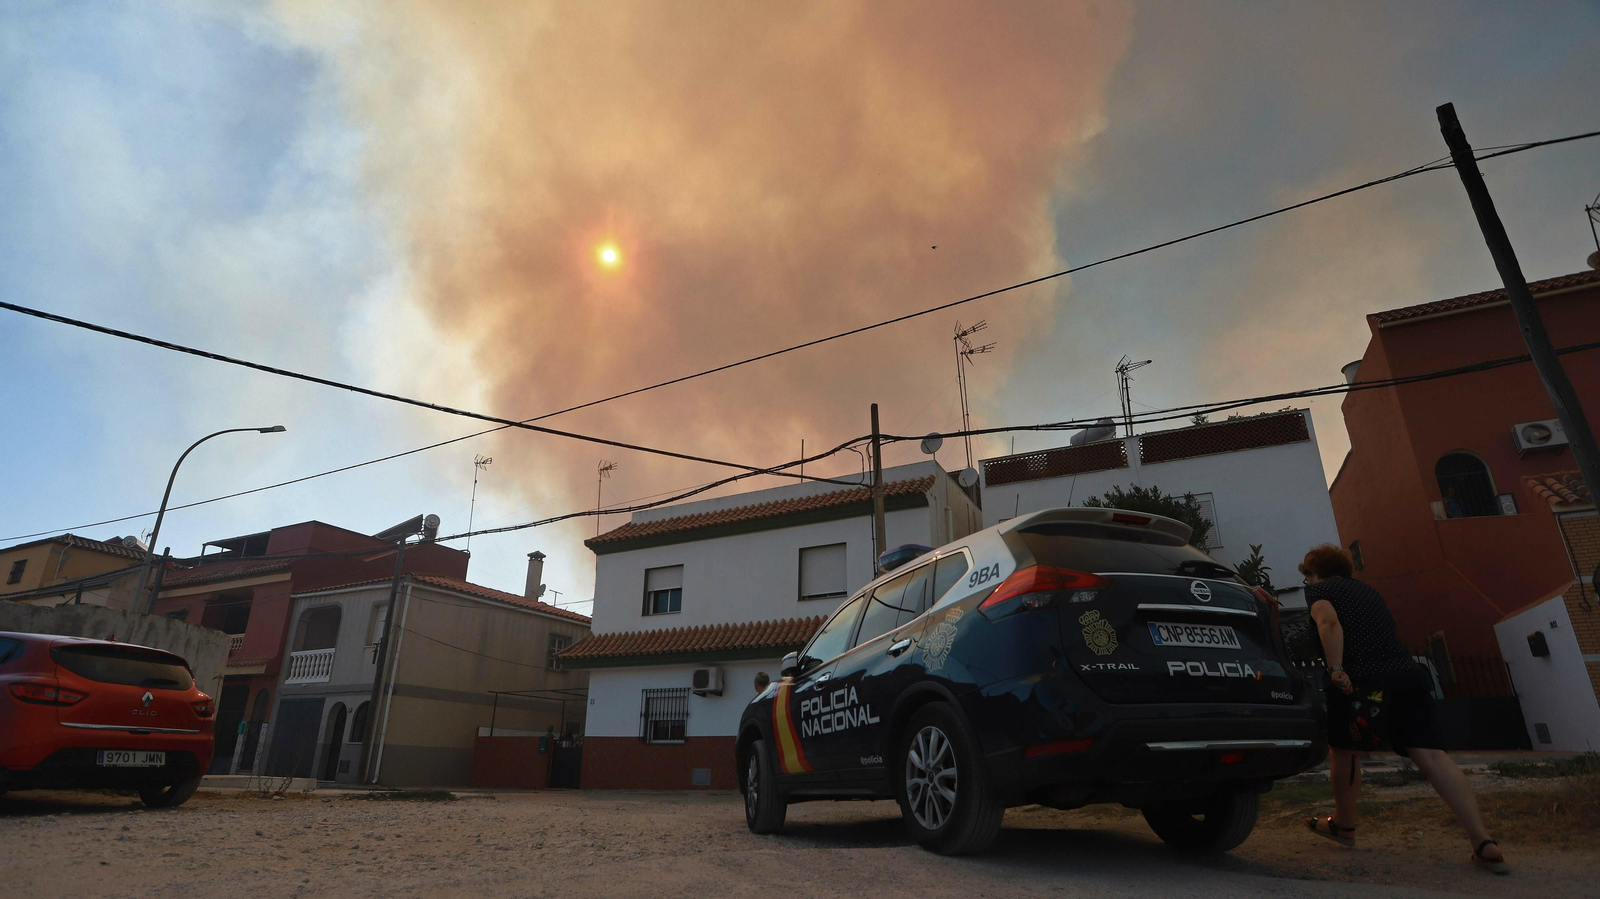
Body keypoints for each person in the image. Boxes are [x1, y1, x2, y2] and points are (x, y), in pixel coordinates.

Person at [1299, 544, 1508, 874]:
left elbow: (1329, 623)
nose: (1307, 582)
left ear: (1316, 573)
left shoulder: (1321, 591)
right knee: (1434, 755)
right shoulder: (1369, 592)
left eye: (1307, 576)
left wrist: (1336, 668)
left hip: (1359, 682)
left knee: (1344, 751)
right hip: (1406, 673)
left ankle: (1344, 825)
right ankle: (1483, 841)